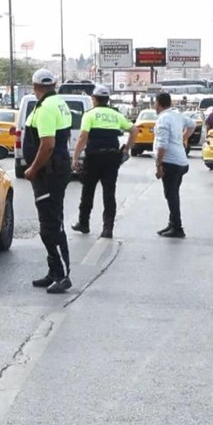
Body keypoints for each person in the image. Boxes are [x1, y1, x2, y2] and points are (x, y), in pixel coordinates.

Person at [21, 68, 74, 294]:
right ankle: (54, 271)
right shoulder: (59, 103)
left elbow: (48, 144)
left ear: (35, 87)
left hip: (48, 173)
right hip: (55, 170)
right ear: (54, 85)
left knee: (50, 225)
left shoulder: (44, 109)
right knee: (51, 222)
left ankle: (62, 275)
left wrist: (33, 168)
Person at [72, 85, 137, 239]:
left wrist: (75, 157)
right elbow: (134, 130)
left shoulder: (90, 115)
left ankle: (84, 223)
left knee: (88, 191)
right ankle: (108, 229)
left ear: (94, 99)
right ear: (107, 100)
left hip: (94, 156)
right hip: (112, 158)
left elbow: (83, 137)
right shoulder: (115, 115)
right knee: (109, 193)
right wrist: (127, 149)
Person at [153, 92, 196, 238]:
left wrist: (158, 165)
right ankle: (172, 224)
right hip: (181, 161)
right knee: (173, 194)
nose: (154, 106)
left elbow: (162, 145)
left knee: (171, 195)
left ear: (158, 103)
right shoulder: (177, 115)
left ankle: (177, 227)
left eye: (155, 103)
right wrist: (183, 139)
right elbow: (193, 124)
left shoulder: (163, 119)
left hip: (170, 162)